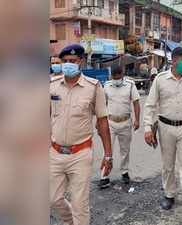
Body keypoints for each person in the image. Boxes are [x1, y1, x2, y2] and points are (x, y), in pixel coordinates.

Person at [49, 44, 113, 225]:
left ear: (81, 62)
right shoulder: (52, 86)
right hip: (54, 152)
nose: (68, 64)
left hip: (80, 154)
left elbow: (102, 122)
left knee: (80, 204)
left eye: (73, 61)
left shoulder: (93, 87)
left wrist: (108, 155)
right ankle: (69, 221)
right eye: (65, 61)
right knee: (52, 198)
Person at [143, 47, 182, 223]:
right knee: (168, 165)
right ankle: (169, 195)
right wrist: (148, 128)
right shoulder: (160, 79)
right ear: (174, 60)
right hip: (165, 128)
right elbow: (150, 105)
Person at [101, 65, 141, 188]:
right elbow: (102, 105)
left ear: (122, 75)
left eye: (118, 76)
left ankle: (124, 172)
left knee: (125, 150)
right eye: (114, 77)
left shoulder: (130, 85)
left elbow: (136, 102)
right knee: (108, 150)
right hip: (110, 123)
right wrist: (99, 123)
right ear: (111, 75)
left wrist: (137, 120)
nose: (116, 79)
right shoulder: (107, 85)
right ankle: (104, 176)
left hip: (125, 122)